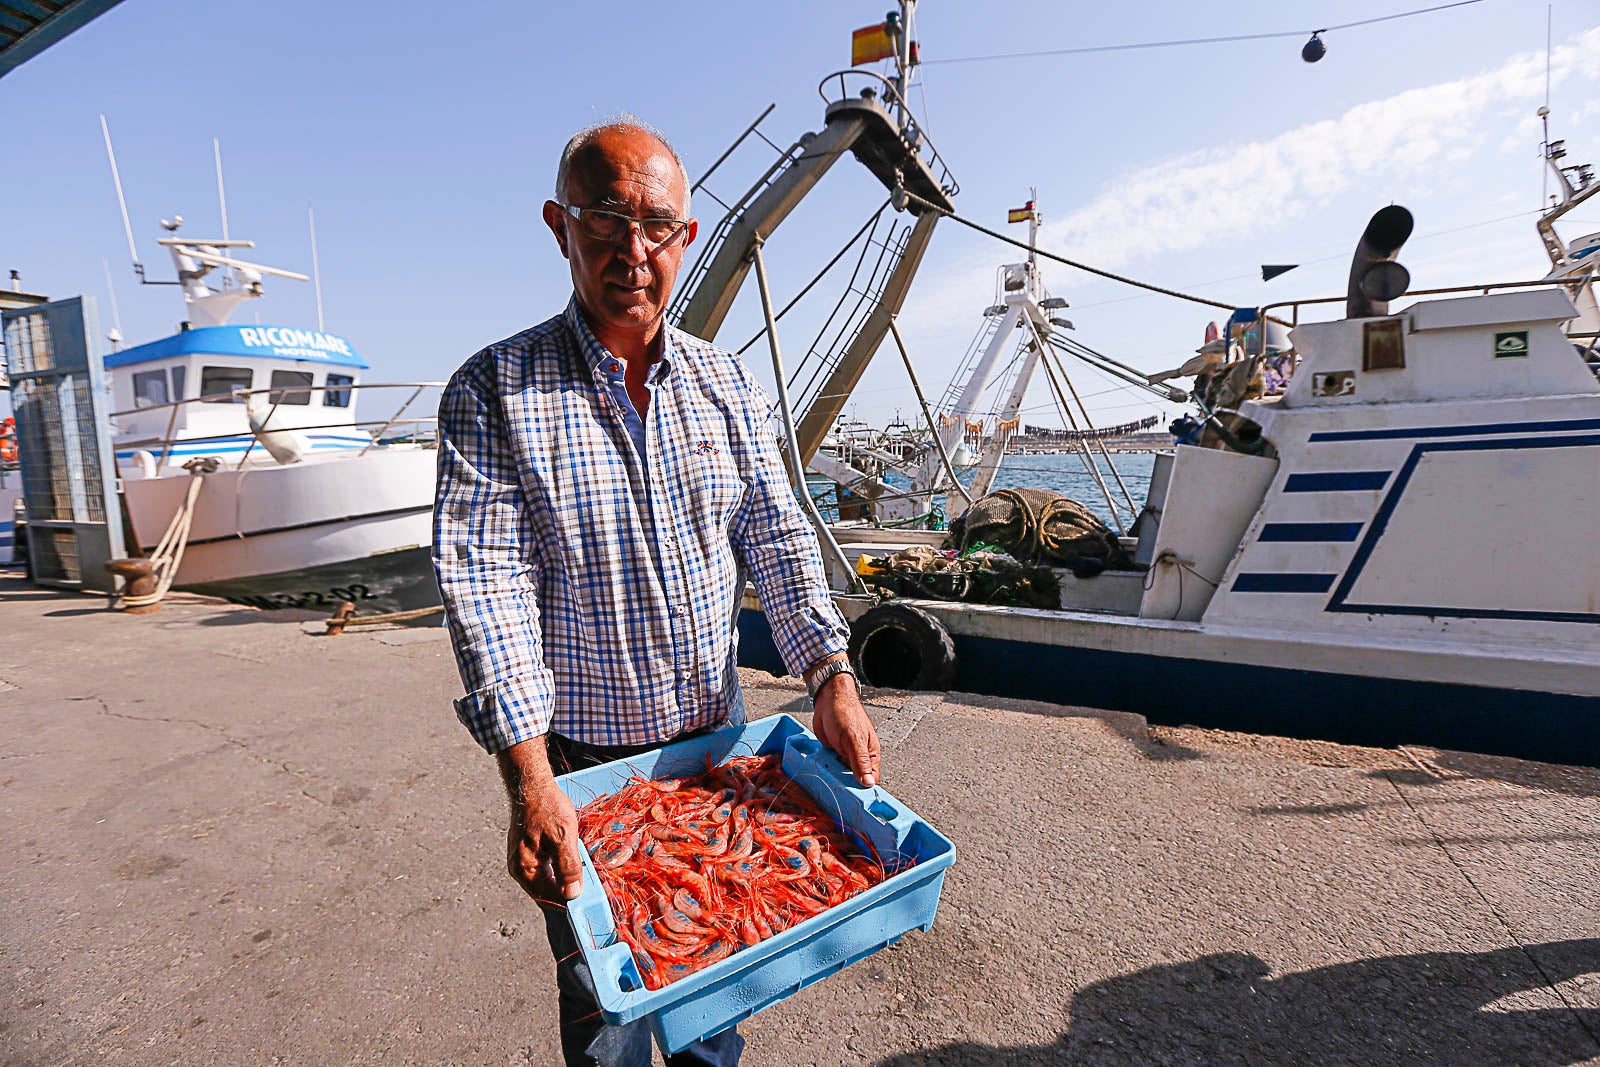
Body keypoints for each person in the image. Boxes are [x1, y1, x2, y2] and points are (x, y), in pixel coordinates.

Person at [432, 117, 882, 1067]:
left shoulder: (727, 384)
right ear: (560, 225)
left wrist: (830, 675)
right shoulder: (492, 390)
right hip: (586, 763)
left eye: (658, 227)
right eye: (605, 219)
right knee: (611, 1006)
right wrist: (529, 780)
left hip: (722, 756)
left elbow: (776, 531)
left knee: (717, 964)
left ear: (684, 235)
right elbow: (488, 587)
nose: (632, 252)